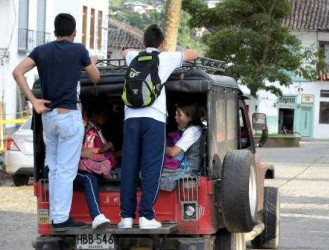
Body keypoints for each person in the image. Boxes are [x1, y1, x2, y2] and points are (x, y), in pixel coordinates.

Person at [12, 13, 100, 229]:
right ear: (74, 32)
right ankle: (61, 218)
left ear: (54, 32)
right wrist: (90, 62)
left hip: (48, 118)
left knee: (53, 167)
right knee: (66, 171)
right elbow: (96, 78)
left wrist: (33, 100)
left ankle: (55, 215)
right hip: (68, 116)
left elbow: (17, 72)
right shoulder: (79, 50)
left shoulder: (41, 51)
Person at [118, 24, 199, 229]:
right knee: (151, 167)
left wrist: (137, 51)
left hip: (130, 119)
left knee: (129, 166)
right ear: (161, 44)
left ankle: (126, 218)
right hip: (154, 119)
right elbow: (193, 53)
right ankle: (146, 216)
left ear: (143, 42)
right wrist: (174, 53)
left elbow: (124, 51)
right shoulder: (166, 58)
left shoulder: (133, 58)